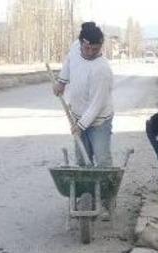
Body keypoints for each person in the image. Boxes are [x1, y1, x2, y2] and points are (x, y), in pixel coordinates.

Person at [53, 22, 114, 168]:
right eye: (87, 48)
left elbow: (96, 105)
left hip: (99, 121)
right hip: (78, 115)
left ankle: (104, 190)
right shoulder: (75, 47)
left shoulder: (102, 70)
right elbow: (69, 61)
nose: (90, 52)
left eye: (95, 49)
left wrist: (80, 126)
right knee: (82, 162)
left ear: (100, 47)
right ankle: (85, 190)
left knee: (103, 162)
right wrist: (61, 81)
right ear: (81, 43)